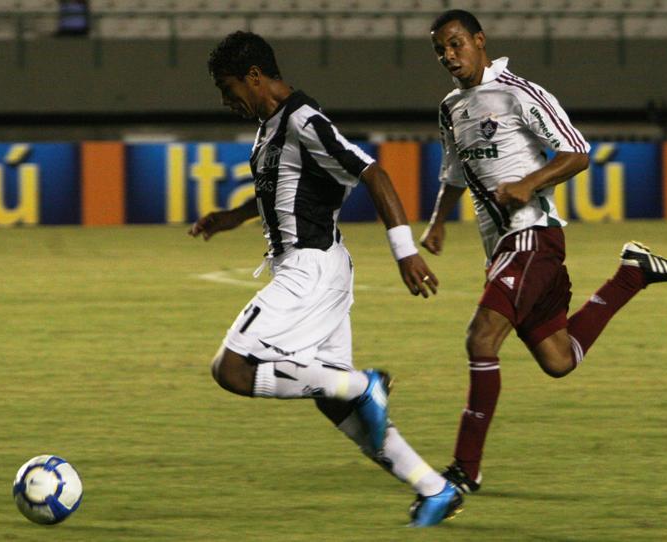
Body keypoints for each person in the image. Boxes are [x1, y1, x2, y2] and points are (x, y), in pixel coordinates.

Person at [189, 31, 462, 527]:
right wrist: (232, 217)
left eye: (229, 89)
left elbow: (373, 172)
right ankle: (434, 487)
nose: (227, 101)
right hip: (321, 270)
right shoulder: (270, 129)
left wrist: (405, 253)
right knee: (334, 405)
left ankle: (363, 383)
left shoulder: (302, 118)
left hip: (309, 270)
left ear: (254, 76)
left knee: (231, 369)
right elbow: (285, 194)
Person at [421, 10, 667, 495]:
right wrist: (439, 222)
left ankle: (464, 470)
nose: (448, 56)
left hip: (532, 238)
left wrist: (529, 182)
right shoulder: (450, 108)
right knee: (559, 358)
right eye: (440, 50)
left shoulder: (519, 93)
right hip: (505, 248)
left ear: (480, 40)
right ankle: (632, 274)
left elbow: (577, 152)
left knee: (481, 340)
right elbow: (453, 172)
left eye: (456, 44)